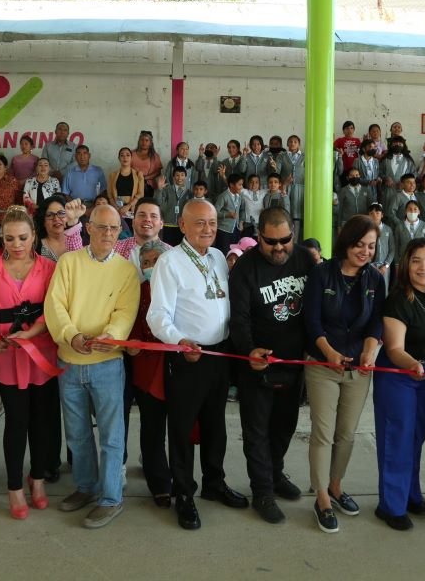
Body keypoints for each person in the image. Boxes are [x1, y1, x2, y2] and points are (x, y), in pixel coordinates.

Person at [147, 199, 249, 530]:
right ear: (183, 225)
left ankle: (214, 483)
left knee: (215, 425)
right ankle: (183, 492)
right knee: (181, 428)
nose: (208, 228)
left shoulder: (218, 256)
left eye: (212, 222)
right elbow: (157, 315)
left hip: (220, 355)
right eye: (200, 222)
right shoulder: (170, 262)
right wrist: (179, 341)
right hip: (188, 356)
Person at [45, 204, 140, 529]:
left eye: (114, 228)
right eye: (101, 227)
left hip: (107, 363)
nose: (108, 234)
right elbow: (55, 304)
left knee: (112, 436)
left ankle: (111, 498)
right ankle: (86, 487)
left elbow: (125, 312)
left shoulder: (126, 271)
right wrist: (71, 335)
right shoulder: (68, 262)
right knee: (77, 434)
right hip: (69, 362)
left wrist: (111, 336)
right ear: (88, 228)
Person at [230, 207, 315, 524]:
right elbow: (238, 319)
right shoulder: (245, 268)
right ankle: (262, 491)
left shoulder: (305, 259)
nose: (279, 248)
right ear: (258, 237)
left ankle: (276, 474)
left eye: (285, 240)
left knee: (284, 426)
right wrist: (249, 350)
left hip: (294, 364)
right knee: (256, 432)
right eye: (271, 242)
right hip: (257, 365)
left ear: (293, 233)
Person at [0, 207, 59, 519]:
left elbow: (54, 312)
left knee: (41, 422)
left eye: (23, 237)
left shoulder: (50, 268)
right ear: (2, 238)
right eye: (9, 239)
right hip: (6, 358)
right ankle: (14, 487)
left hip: (42, 357)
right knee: (16, 422)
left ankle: (37, 479)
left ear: (34, 236)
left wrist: (32, 332)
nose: (17, 244)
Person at [303, 215, 384, 533]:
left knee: (347, 433)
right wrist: (328, 352)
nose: (365, 251)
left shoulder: (375, 279)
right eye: (359, 244)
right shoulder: (321, 273)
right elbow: (311, 321)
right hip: (323, 365)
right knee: (323, 432)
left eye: (371, 246)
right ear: (346, 242)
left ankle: (336, 485)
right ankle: (321, 497)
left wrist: (370, 349)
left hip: (358, 369)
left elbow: (377, 321)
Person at [373, 238, 425, 531]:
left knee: (416, 437)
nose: (424, 267)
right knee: (397, 439)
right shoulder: (397, 300)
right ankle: (391, 505)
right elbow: (394, 348)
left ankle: (410, 493)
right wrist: (412, 365)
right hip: (399, 375)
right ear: (406, 265)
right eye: (416, 261)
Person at [125, 240, 171, 507]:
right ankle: (160, 484)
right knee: (152, 428)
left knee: (178, 429)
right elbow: (130, 324)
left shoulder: (179, 287)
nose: (151, 266)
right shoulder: (138, 291)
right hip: (145, 368)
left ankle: (182, 479)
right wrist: (132, 343)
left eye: (157, 261)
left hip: (177, 368)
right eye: (146, 263)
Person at [107, 147, 144, 227]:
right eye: (122, 155)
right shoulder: (112, 175)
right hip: (117, 209)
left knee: (131, 231)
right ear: (119, 158)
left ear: (131, 158)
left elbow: (140, 194)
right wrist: (116, 208)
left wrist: (128, 206)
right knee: (118, 231)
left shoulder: (138, 174)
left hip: (132, 209)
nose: (125, 158)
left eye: (127, 155)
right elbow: (110, 195)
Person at [132, 130, 163, 195]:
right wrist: (137, 178)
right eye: (142, 140)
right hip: (132, 183)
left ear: (150, 143)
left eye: (146, 140)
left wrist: (144, 178)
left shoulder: (155, 156)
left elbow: (158, 172)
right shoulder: (131, 154)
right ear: (139, 141)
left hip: (148, 186)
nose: (144, 142)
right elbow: (125, 168)